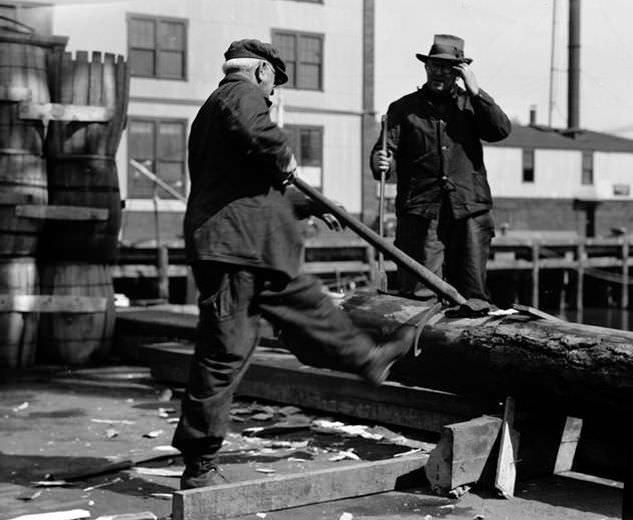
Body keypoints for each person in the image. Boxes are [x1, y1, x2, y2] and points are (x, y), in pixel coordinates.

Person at [172, 38, 416, 489]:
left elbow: (247, 188)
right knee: (225, 352)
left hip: (252, 247)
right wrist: (282, 153)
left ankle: (369, 359)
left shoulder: (219, 111)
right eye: (273, 86)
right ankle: (200, 463)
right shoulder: (237, 94)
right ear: (262, 72)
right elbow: (259, 136)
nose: (271, 96)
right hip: (238, 251)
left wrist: (305, 204)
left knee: (311, 307)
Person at [371, 34, 511, 303]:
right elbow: (385, 151)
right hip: (422, 210)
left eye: (447, 68)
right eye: (434, 66)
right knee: (420, 290)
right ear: (426, 68)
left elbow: (500, 130)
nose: (439, 73)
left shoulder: (472, 104)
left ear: (459, 72)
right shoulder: (402, 109)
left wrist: (477, 91)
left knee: (472, 293)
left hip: (468, 208)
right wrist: (380, 161)